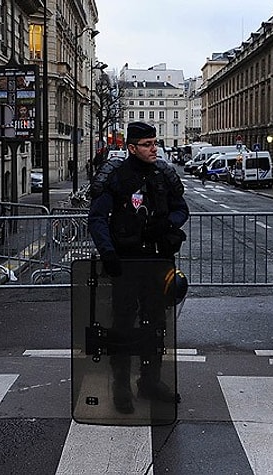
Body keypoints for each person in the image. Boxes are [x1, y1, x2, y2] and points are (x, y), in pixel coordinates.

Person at [88, 121, 189, 414]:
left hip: (156, 263)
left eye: (155, 143)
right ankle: (121, 384)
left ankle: (150, 380)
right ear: (132, 147)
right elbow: (97, 218)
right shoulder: (116, 177)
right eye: (147, 145)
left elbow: (182, 207)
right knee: (123, 325)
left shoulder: (162, 175)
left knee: (156, 325)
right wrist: (107, 252)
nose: (154, 149)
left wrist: (170, 224)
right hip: (126, 263)